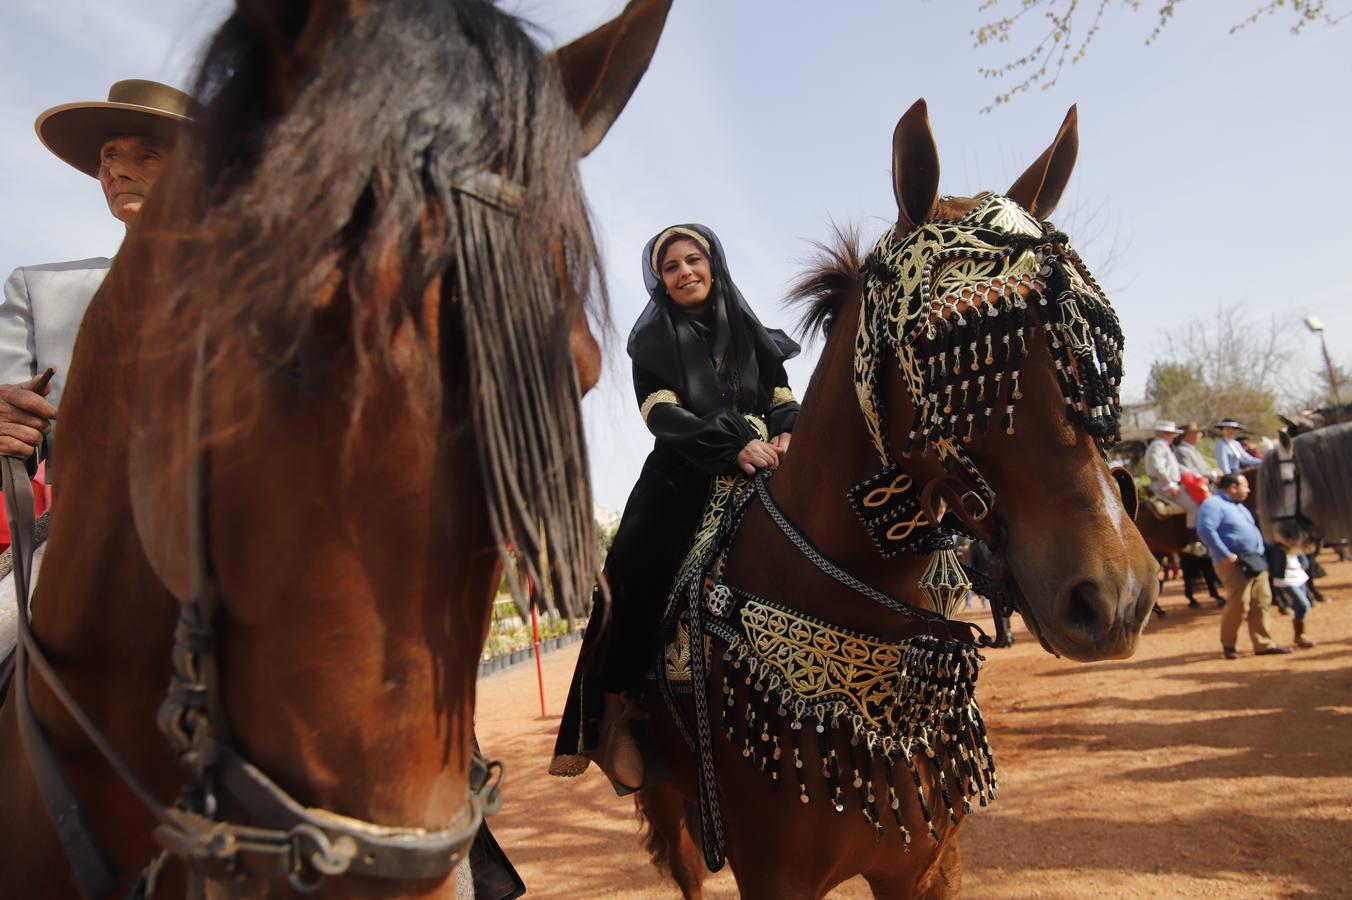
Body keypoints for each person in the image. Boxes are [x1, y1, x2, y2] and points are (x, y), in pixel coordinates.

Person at [552, 224, 800, 790]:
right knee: (633, 564)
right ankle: (617, 712)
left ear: (714, 265)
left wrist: (787, 434)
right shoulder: (653, 340)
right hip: (685, 467)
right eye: (672, 266)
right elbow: (660, 415)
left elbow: (782, 394)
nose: (685, 271)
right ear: (660, 281)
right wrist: (730, 443)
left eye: (694, 260)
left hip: (772, 458)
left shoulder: (750, 330)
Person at [0, 79, 196, 474]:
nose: (117, 171)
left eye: (147, 156)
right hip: (80, 526)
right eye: (109, 157)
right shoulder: (37, 291)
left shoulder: (265, 291)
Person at [1196, 474, 1291, 659]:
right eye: (1245, 486)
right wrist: (1224, 554)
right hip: (1233, 563)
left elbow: (1253, 529)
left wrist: (1260, 551)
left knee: (1262, 601)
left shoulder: (1238, 506)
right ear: (1232, 487)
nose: (1248, 490)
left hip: (1255, 560)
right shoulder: (1213, 504)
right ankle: (1229, 645)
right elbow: (1206, 530)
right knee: (1239, 604)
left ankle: (1264, 643)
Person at [1266, 522, 1316, 648]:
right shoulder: (1275, 549)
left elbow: (1305, 559)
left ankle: (1300, 635)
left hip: (1299, 576)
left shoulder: (1296, 548)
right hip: (1286, 579)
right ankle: (1300, 635)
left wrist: (1303, 565)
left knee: (1301, 607)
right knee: (1303, 604)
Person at [1144, 421, 1201, 524]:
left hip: (1167, 484)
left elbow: (1175, 466)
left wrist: (1194, 475)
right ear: (1165, 434)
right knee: (1194, 507)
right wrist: (1169, 485)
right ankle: (1192, 538)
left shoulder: (1163, 446)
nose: (1173, 436)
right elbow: (1158, 467)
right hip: (1162, 485)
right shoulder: (1158, 446)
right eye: (1171, 434)